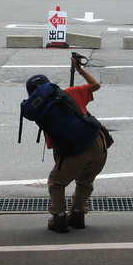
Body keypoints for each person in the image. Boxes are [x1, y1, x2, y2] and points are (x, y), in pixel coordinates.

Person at [25, 57, 108, 233]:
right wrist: (80, 70)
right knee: (85, 180)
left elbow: (54, 145)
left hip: (73, 151)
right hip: (98, 141)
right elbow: (96, 85)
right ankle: (77, 215)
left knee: (56, 182)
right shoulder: (70, 92)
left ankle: (59, 217)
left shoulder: (42, 113)